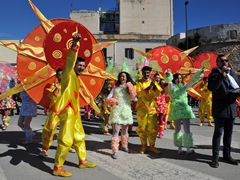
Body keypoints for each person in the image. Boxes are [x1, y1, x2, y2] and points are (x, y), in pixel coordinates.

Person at [51, 34, 96, 177]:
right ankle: (57, 168)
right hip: (67, 110)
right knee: (66, 139)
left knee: (79, 136)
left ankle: (82, 161)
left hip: (75, 111)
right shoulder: (68, 73)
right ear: (74, 65)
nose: (82, 68)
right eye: (80, 65)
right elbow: (70, 59)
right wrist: (75, 44)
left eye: (83, 66)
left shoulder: (77, 78)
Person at [208, 54, 240, 168]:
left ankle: (227, 155)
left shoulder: (233, 74)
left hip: (231, 108)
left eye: (226, 60)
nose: (225, 62)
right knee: (218, 133)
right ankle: (215, 158)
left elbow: (238, 86)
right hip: (220, 108)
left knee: (229, 134)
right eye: (222, 61)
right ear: (217, 63)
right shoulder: (214, 74)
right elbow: (212, 88)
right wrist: (222, 75)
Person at [164, 68, 203, 155]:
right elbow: (169, 83)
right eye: (177, 78)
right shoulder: (172, 87)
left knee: (187, 130)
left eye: (180, 78)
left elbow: (192, 81)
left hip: (185, 110)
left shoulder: (184, 87)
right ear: (174, 79)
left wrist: (199, 73)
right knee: (177, 130)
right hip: (176, 110)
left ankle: (188, 148)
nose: (179, 80)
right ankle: (179, 148)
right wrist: (167, 75)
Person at [39, 68, 75, 157]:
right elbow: (51, 96)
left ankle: (67, 145)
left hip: (66, 110)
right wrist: (55, 89)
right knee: (49, 128)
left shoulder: (69, 85)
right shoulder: (54, 85)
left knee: (67, 129)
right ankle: (45, 148)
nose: (61, 76)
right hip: (55, 110)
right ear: (57, 76)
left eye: (62, 74)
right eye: (59, 75)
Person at [106, 71, 136, 159]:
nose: (122, 78)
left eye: (124, 76)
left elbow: (134, 98)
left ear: (127, 78)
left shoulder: (129, 88)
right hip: (117, 112)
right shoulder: (115, 87)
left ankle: (124, 146)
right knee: (115, 132)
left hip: (126, 112)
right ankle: (115, 150)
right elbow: (108, 98)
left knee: (125, 131)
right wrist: (114, 101)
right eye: (121, 76)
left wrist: (130, 88)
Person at [134, 66, 162, 154]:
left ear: (150, 73)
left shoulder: (154, 82)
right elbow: (138, 94)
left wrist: (154, 86)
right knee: (142, 128)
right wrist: (149, 87)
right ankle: (143, 146)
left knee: (153, 128)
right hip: (142, 109)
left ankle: (152, 147)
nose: (146, 74)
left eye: (148, 73)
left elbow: (158, 94)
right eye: (145, 72)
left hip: (152, 108)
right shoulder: (138, 82)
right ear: (142, 73)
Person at [154, 73, 168, 138]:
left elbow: (169, 82)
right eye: (156, 77)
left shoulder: (163, 85)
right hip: (154, 104)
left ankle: (160, 132)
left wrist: (167, 74)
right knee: (154, 119)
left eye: (158, 78)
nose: (157, 79)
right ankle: (155, 130)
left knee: (161, 118)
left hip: (161, 104)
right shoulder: (152, 85)